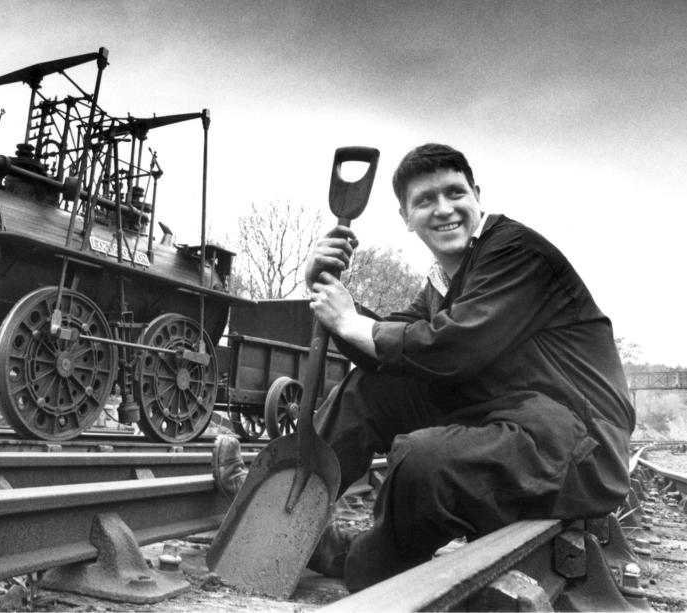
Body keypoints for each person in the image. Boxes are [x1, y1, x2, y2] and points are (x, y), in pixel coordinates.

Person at [213, 143, 634, 592]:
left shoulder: (516, 253)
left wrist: (352, 322)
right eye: (425, 201)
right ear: (405, 218)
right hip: (507, 422)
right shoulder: (442, 281)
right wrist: (321, 289)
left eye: (455, 193)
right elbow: (388, 342)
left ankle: (354, 561)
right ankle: (290, 510)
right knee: (369, 390)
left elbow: (453, 347)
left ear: (477, 195)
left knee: (421, 461)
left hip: (575, 446)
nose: (444, 209)